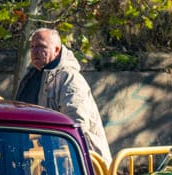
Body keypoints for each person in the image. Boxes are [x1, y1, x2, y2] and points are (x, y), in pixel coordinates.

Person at [14, 28, 112, 163]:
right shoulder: (31, 75)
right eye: (32, 46)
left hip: (78, 162)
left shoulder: (69, 78)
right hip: (42, 157)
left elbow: (76, 125)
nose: (35, 51)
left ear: (56, 50)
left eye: (41, 46)